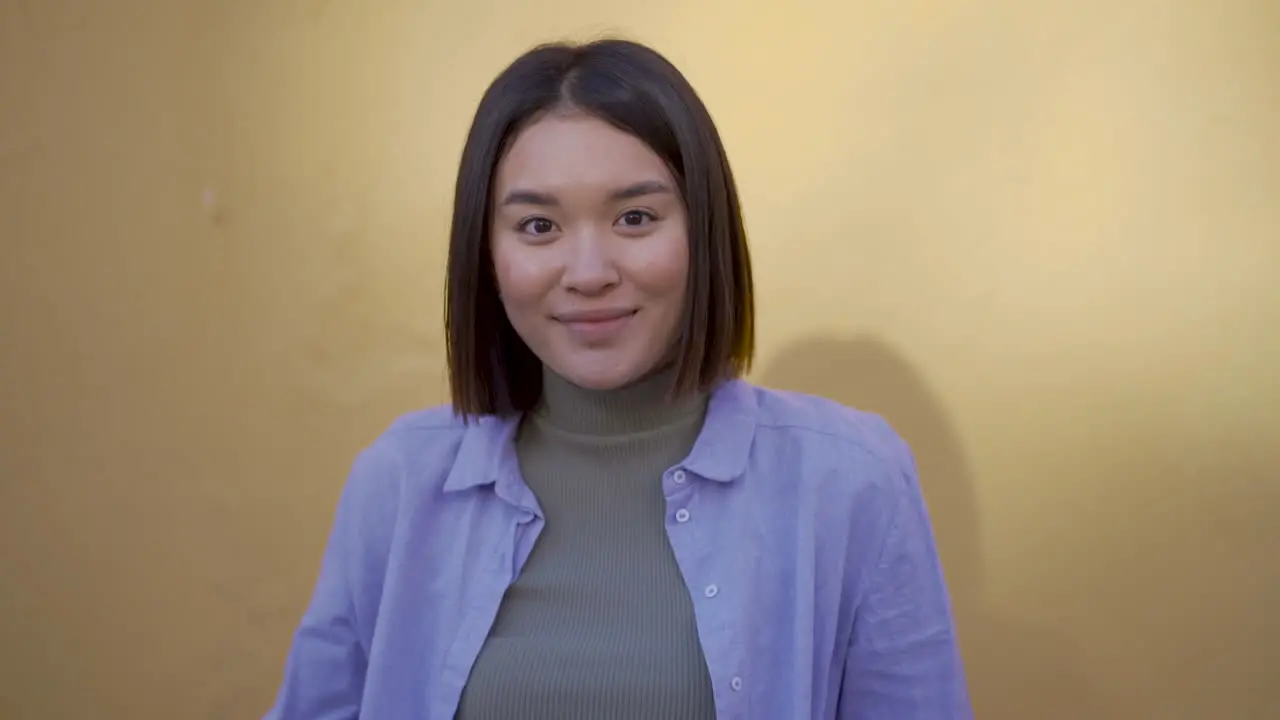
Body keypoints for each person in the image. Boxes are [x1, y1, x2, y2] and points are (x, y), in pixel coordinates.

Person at [265, 38, 971, 720]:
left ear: (703, 230)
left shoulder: (850, 480)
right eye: (538, 226)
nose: (590, 272)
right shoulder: (399, 483)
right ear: (487, 255)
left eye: (636, 217)